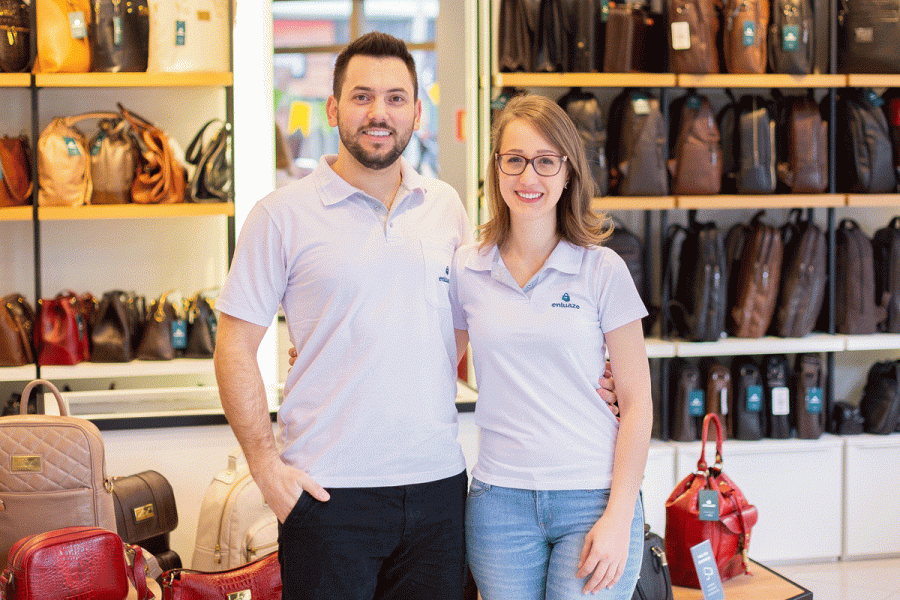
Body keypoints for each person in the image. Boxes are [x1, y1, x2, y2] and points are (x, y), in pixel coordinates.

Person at [213, 32, 470, 600]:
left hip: (437, 493)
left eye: (396, 98)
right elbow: (233, 347)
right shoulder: (280, 215)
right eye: (361, 96)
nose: (379, 113)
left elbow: (466, 329)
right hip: (328, 495)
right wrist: (265, 469)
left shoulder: (446, 208)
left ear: (417, 112)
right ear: (333, 109)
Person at [451, 94, 653, 600]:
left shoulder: (601, 269)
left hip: (593, 497)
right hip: (499, 504)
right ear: (497, 169)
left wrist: (619, 514)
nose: (528, 177)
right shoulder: (467, 268)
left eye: (545, 162)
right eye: (514, 160)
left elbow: (637, 403)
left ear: (568, 173)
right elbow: (432, 364)